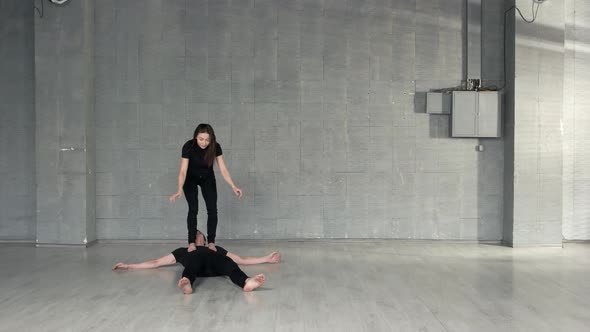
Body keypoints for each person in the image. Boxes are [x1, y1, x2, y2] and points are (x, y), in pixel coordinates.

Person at [169, 124, 243, 253]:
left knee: (212, 209)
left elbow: (223, 168)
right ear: (195, 137)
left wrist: (233, 185)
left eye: (207, 140)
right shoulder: (188, 146)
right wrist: (179, 189)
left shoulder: (215, 147)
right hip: (190, 179)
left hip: (207, 178)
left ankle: (211, 242)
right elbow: (182, 170)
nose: (204, 142)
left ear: (211, 139)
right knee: (193, 209)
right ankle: (191, 242)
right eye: (201, 139)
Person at [112, 230, 282, 270]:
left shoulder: (214, 248)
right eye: (194, 236)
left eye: (199, 235)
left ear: (206, 240)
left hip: (214, 267)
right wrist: (129, 265)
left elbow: (241, 260)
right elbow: (156, 262)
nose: (197, 236)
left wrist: (266, 258)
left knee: (233, 269)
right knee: (190, 271)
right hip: (195, 268)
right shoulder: (182, 251)